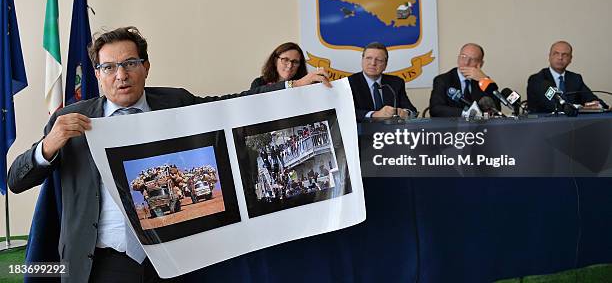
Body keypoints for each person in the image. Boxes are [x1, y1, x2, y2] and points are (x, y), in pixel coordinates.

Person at [8, 26, 329, 283]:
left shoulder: (174, 103)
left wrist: (291, 90)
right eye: (109, 67)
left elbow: (232, 105)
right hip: (102, 262)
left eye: (130, 63)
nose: (121, 75)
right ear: (97, 74)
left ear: (145, 67)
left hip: (175, 259)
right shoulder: (72, 119)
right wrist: (50, 144)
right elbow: (16, 180)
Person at [527, 40, 606, 113]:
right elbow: (552, 105)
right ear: (549, 57)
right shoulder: (537, 79)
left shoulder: (575, 78)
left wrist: (597, 105)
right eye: (556, 53)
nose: (560, 58)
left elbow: (590, 98)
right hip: (545, 124)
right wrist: (579, 107)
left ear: (570, 59)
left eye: (565, 55)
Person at [348, 42, 417, 122]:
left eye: (379, 60)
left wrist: (405, 113)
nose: (373, 63)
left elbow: (412, 110)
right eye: (369, 58)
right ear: (362, 60)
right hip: (361, 132)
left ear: (385, 65)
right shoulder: (350, 83)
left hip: (391, 132)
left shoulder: (396, 82)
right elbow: (347, 112)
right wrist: (374, 114)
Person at [429, 43, 499, 117]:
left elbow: (497, 108)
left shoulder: (483, 81)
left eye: (473, 59)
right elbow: (435, 109)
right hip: (452, 126)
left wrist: (484, 79)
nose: (466, 63)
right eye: (463, 57)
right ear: (458, 58)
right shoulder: (442, 80)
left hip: (479, 127)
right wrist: (465, 113)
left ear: (480, 64)